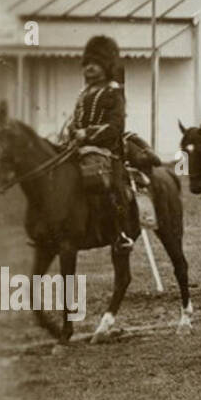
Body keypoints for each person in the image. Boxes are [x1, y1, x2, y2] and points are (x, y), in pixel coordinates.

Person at [66, 35, 136, 246]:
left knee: (114, 188)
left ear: (106, 66)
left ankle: (121, 233)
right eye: (87, 64)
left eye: (95, 64)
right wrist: (72, 132)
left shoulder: (113, 93)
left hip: (107, 152)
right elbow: (76, 120)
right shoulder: (83, 93)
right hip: (78, 150)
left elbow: (116, 127)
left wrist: (86, 134)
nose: (89, 68)